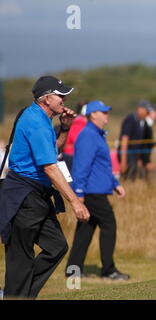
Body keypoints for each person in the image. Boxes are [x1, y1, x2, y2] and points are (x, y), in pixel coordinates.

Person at [0, 76, 90, 298]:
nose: (64, 99)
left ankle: (20, 294)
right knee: (20, 258)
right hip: (23, 196)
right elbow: (50, 167)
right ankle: (16, 295)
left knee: (56, 246)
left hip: (37, 196)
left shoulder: (40, 117)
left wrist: (65, 129)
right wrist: (75, 201)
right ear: (46, 98)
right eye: (60, 95)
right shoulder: (37, 123)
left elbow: (52, 150)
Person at [66, 100, 129, 280]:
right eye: (103, 112)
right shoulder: (88, 135)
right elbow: (81, 166)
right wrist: (78, 193)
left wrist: (115, 184)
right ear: (93, 114)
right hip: (92, 192)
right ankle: (109, 270)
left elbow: (102, 166)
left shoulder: (97, 134)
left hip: (98, 188)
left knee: (85, 229)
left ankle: (73, 269)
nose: (107, 115)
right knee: (109, 224)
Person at [118, 100, 151, 180]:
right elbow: (124, 140)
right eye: (147, 111)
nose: (148, 114)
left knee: (135, 176)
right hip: (127, 154)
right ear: (140, 109)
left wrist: (139, 159)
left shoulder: (142, 122)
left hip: (135, 155)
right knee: (129, 176)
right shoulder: (130, 120)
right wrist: (123, 161)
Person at [61, 101, 88, 171]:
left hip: (73, 157)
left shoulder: (78, 123)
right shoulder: (79, 124)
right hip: (73, 158)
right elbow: (80, 143)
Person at [142, 103, 156, 178]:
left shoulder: (147, 124)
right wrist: (146, 161)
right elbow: (143, 144)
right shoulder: (145, 124)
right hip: (143, 158)